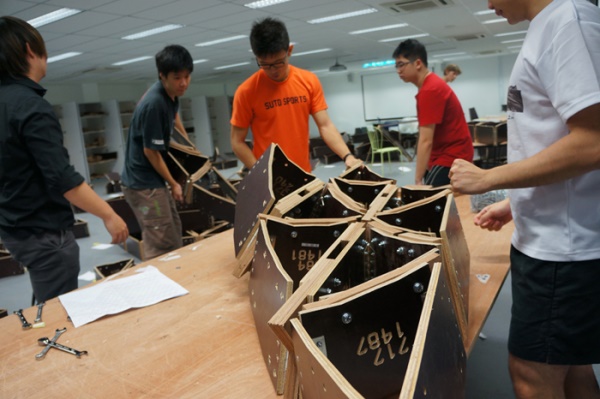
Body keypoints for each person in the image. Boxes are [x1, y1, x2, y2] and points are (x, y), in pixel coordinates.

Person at [449, 0, 600, 398]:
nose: (488, 3)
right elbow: (552, 138)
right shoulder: (549, 24)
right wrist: (517, 204)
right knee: (570, 365)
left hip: (562, 254)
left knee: (532, 375)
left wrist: (488, 179)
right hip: (553, 243)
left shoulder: (568, 19)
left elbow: (593, 143)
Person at [0, 16, 129, 303]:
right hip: (42, 232)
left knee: (45, 297)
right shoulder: (31, 107)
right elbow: (63, 179)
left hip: (15, 227)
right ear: (30, 50)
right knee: (59, 307)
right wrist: (109, 215)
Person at [230, 17, 357, 173]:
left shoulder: (308, 81)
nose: (273, 70)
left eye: (278, 62)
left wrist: (348, 156)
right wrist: (260, 172)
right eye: (264, 64)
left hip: (303, 173)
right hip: (269, 177)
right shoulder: (246, 91)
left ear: (289, 51)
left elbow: (325, 125)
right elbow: (237, 141)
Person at [121, 45, 193, 259]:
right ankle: (159, 285)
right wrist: (173, 183)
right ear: (163, 76)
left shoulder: (170, 93)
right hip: (143, 185)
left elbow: (174, 115)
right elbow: (151, 152)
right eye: (177, 77)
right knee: (160, 243)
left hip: (151, 180)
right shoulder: (155, 105)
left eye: (187, 76)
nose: (183, 83)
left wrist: (189, 145)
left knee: (171, 231)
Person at [392, 39, 473, 186]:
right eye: (396, 65)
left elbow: (425, 141)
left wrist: (417, 179)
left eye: (401, 64)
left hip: (452, 156)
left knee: (427, 199)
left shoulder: (430, 89)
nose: (398, 70)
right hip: (443, 154)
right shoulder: (429, 86)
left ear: (417, 63)